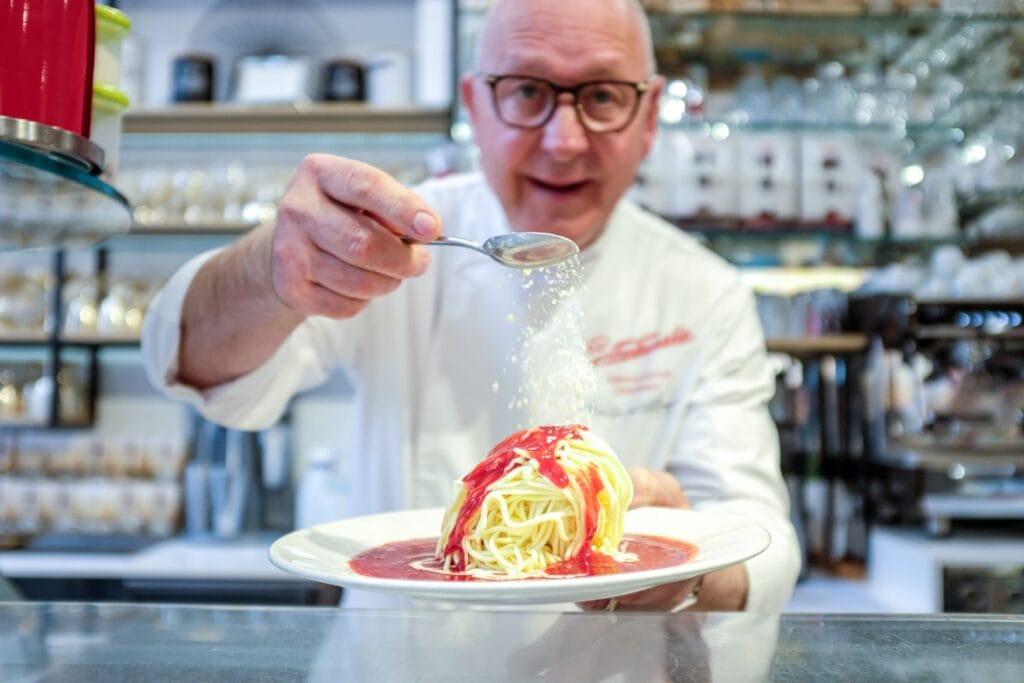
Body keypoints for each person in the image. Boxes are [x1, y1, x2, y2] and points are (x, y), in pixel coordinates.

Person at [142, 0, 800, 612]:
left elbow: (765, 542)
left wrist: (686, 565)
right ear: (474, 105)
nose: (564, 141)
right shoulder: (394, 240)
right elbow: (195, 363)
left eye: (602, 96)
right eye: (527, 92)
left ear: (649, 117)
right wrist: (269, 270)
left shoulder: (703, 288)